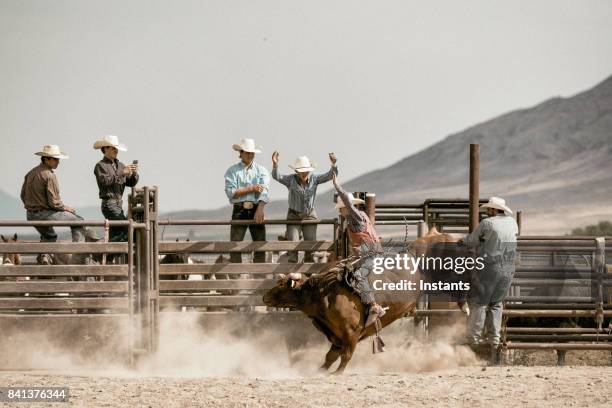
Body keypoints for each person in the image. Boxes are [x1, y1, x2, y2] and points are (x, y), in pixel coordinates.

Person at [460, 196, 518, 361]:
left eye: (488, 208)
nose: (487, 211)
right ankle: (494, 342)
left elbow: (472, 240)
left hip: (490, 267)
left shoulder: (487, 223)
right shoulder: (513, 223)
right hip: (508, 268)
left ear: (493, 209)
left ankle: (473, 341)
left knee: (479, 303)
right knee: (496, 304)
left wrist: (460, 242)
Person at [20, 144, 97, 265]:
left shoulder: (30, 173)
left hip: (30, 214)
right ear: (46, 159)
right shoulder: (49, 175)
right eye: (55, 159)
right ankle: (78, 258)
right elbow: (54, 202)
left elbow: (23, 196)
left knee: (49, 236)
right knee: (79, 222)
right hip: (44, 214)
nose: (58, 162)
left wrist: (33, 206)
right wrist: (66, 208)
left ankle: (44, 256)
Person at [332, 174, 386, 327]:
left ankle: (373, 306)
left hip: (371, 253)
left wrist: (337, 185)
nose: (340, 212)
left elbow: (347, 202)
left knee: (358, 275)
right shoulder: (362, 215)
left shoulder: (354, 216)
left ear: (345, 208)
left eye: (341, 209)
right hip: (372, 251)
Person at [272, 152, 338, 263]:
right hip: (293, 215)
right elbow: (277, 176)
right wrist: (275, 165)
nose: (303, 173)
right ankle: (292, 274)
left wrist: (334, 164)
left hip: (309, 215)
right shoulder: (290, 179)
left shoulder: (315, 179)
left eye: (306, 171)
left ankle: (308, 275)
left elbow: (330, 175)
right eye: (301, 171)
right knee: (293, 246)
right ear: (296, 171)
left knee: (310, 247)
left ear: (309, 170)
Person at [224, 138, 270, 263]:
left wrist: (260, 209)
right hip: (239, 209)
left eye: (252, 153)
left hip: (256, 208)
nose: (250, 155)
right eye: (247, 152)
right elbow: (231, 193)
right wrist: (252, 189)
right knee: (235, 246)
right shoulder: (232, 171)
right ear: (241, 153)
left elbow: (264, 191)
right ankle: (236, 278)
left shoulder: (262, 170)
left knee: (260, 245)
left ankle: (258, 276)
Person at [93, 135, 138, 248]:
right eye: (113, 148)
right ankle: (101, 248)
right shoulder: (100, 166)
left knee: (118, 233)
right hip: (109, 204)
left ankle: (106, 253)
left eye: (116, 148)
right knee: (129, 230)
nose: (116, 150)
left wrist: (134, 174)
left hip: (117, 205)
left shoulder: (120, 165)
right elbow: (105, 181)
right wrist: (122, 172)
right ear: (105, 149)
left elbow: (131, 183)